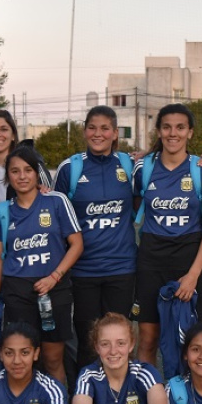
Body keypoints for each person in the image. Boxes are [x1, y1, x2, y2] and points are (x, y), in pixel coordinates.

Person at [132, 104, 202, 371]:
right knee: (148, 339)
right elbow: (133, 207)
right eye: (167, 127)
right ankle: (149, 394)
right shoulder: (143, 168)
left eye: (180, 127)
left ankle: (191, 395)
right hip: (151, 257)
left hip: (189, 257)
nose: (173, 133)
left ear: (190, 132)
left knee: (195, 338)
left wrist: (193, 274)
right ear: (159, 131)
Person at [53, 106, 138, 370]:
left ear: (115, 133)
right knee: (89, 342)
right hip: (83, 271)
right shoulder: (70, 168)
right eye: (92, 127)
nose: (97, 134)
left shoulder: (129, 165)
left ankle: (122, 391)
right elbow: (57, 214)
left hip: (122, 268)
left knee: (118, 341)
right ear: (84, 131)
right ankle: (87, 392)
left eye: (104, 128)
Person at [0, 147, 82, 384]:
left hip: (54, 288)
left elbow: (77, 244)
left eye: (28, 170)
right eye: (15, 171)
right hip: (17, 292)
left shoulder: (56, 201)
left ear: (37, 173)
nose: (22, 176)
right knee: (21, 359)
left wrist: (54, 277)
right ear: (8, 176)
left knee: (53, 359)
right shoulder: (3, 211)